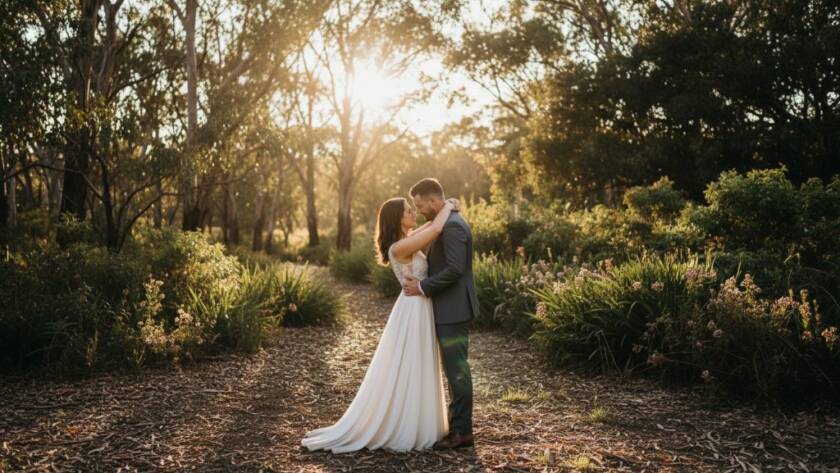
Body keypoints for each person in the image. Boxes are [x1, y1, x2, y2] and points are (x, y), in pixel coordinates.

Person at [301, 194, 459, 453]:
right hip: (413, 308)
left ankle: (420, 419)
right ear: (397, 218)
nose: (413, 213)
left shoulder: (405, 240)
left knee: (417, 363)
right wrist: (450, 206)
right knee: (411, 364)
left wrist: (446, 205)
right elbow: (436, 228)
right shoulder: (399, 247)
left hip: (417, 305)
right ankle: (408, 424)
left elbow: (429, 227)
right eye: (409, 210)